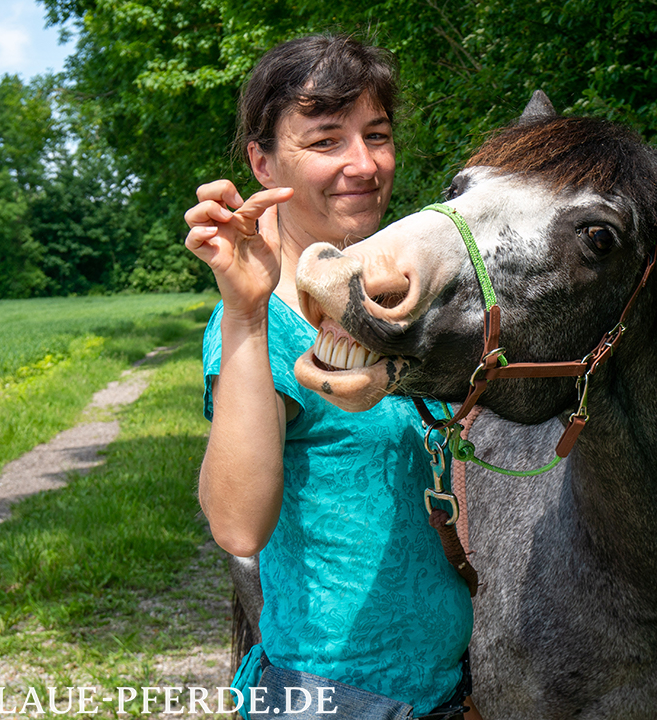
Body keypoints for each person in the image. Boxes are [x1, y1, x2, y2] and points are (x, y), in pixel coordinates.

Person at [183, 34, 473, 719]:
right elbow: (237, 529)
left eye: (377, 135)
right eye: (326, 141)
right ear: (263, 161)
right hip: (333, 701)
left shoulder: (402, 304)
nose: (364, 164)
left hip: (448, 690)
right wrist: (246, 314)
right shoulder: (259, 327)